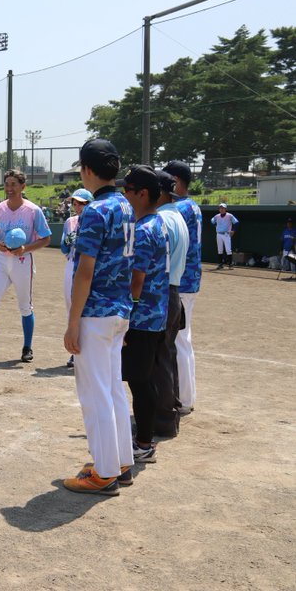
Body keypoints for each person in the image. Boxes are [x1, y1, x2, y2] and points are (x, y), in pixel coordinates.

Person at [62, 139, 134, 496]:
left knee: (95, 394)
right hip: (119, 309)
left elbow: (85, 271)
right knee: (113, 388)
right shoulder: (125, 205)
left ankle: (104, 472)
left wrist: (73, 321)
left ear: (87, 170)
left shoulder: (95, 211)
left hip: (96, 312)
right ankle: (120, 462)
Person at [0, 170, 52, 362]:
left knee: (25, 306)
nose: (9, 188)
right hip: (0, 260)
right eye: (7, 184)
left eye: (14, 184)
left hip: (22, 261)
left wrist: (25, 249)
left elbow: (46, 239)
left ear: (23, 186)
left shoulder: (33, 210)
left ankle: (27, 348)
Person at [120, 166, 169, 464]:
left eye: (128, 190)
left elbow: (136, 280)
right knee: (144, 380)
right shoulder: (156, 222)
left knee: (140, 382)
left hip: (143, 318)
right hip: (155, 313)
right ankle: (145, 439)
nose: (124, 195)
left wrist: (126, 316)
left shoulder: (143, 230)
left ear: (143, 194)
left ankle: (144, 444)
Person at [163, 160, 201, 416]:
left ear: (175, 181)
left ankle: (184, 399)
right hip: (190, 280)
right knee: (182, 340)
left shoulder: (179, 208)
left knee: (179, 341)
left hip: (181, 281)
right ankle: (185, 397)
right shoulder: (192, 205)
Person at [154, 169, 189, 438]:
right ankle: (170, 411)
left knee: (159, 360)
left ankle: (163, 419)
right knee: (168, 355)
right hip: (173, 291)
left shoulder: (162, 218)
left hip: (162, 292)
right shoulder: (176, 215)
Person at [60, 189, 94, 368]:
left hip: (88, 265)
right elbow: (63, 248)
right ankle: (74, 351)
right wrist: (68, 241)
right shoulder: (70, 222)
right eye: (75, 203)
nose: (77, 206)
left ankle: (88, 350)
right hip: (72, 263)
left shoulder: (95, 219)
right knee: (71, 306)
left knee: (86, 307)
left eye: (82, 203)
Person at [210, 203, 238, 270]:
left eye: (223, 208)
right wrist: (216, 226)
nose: (221, 209)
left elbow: (236, 223)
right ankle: (220, 264)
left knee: (228, 250)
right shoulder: (217, 216)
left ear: (225, 209)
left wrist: (233, 230)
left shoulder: (229, 215)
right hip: (219, 234)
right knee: (220, 250)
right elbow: (212, 221)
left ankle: (230, 264)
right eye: (220, 208)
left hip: (226, 234)